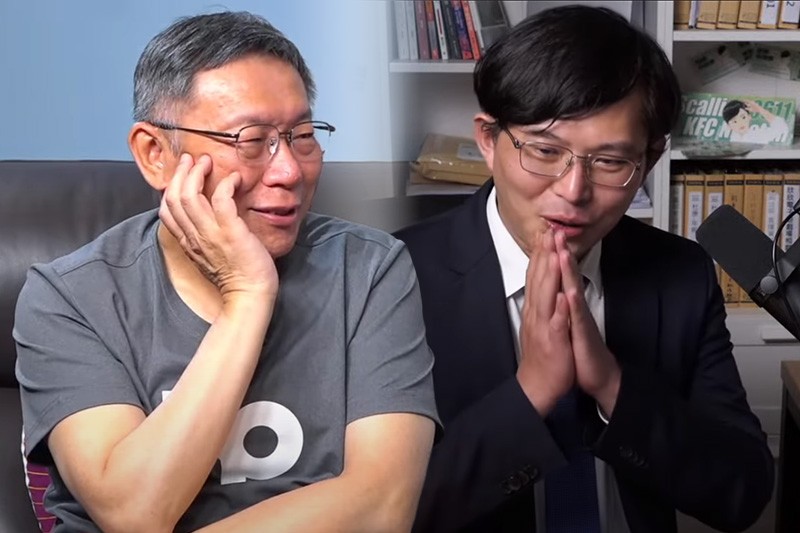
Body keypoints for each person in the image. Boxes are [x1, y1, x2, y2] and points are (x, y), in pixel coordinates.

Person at [15, 11, 438, 533]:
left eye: (303, 135)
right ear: (155, 154)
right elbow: (133, 513)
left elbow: (382, 506)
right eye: (250, 139)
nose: (288, 171)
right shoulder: (70, 297)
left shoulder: (370, 270)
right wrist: (247, 297)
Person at [396, 5, 774, 533]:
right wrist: (531, 392)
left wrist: (613, 386)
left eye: (611, 162)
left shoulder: (679, 273)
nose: (573, 191)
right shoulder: (394, 278)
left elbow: (741, 494)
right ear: (488, 140)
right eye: (544, 151)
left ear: (649, 161)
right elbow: (385, 513)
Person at [723, 99, 791, 144]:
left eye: (743, 117)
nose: (740, 123)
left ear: (749, 117)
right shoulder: (734, 138)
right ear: (729, 126)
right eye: (735, 121)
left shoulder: (758, 134)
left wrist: (759, 110)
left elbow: (781, 128)